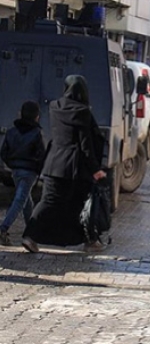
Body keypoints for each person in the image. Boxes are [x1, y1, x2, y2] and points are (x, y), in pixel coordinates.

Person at [22, 75, 106, 253]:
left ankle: (30, 236)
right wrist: (96, 169)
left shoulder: (54, 107)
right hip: (75, 168)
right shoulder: (83, 112)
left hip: (53, 163)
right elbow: (86, 146)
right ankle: (90, 240)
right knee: (81, 203)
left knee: (48, 201)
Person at [0, 101, 46, 246]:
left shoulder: (11, 132)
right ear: (36, 116)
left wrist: (12, 165)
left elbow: (3, 152)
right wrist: (39, 172)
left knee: (26, 202)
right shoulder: (36, 133)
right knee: (20, 200)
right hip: (29, 172)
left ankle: (30, 233)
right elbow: (41, 156)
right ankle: (3, 228)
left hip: (15, 171)